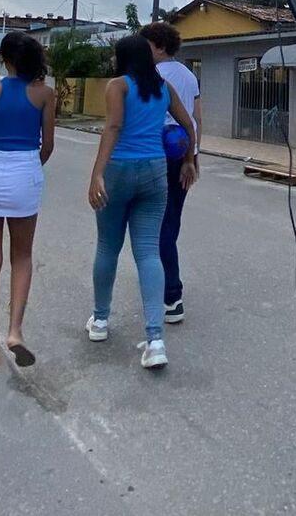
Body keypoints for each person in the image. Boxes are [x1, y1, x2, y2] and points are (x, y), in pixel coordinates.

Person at [86, 35, 197, 369]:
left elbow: (114, 126)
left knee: (108, 246)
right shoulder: (162, 87)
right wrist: (189, 159)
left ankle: (101, 321)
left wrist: (97, 174)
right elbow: (187, 123)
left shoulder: (117, 86)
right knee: (148, 252)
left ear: (122, 58)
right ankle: (155, 340)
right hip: (155, 170)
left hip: (120, 168)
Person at [0, 32, 56, 370]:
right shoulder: (45, 94)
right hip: (25, 172)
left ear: (5, 60)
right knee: (21, 256)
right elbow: (47, 145)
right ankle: (15, 331)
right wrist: (29, 167)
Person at [141, 21, 201, 324]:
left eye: (147, 45)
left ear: (160, 46)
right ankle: (165, 282)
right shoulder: (190, 76)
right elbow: (195, 118)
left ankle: (171, 294)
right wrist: (195, 157)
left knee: (156, 226)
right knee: (171, 220)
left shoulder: (152, 77)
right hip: (183, 153)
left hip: (157, 154)